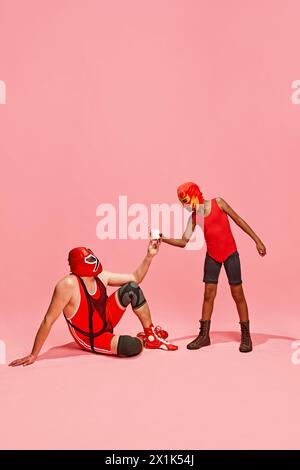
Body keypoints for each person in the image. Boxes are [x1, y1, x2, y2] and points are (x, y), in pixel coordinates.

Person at [9, 241, 177, 367]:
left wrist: (149, 256)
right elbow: (48, 320)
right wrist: (33, 354)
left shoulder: (101, 276)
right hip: (92, 337)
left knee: (131, 288)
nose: (95, 260)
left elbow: (135, 278)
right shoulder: (68, 285)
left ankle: (150, 335)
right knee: (130, 346)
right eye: (90, 258)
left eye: (93, 256)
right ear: (80, 264)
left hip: (106, 320)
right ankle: (143, 340)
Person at [161, 181, 266, 353]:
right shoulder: (195, 217)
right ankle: (204, 336)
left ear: (194, 194)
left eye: (185, 200)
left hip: (231, 253)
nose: (184, 205)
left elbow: (239, 220)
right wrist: (161, 237)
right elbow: (183, 241)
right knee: (208, 294)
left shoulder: (219, 203)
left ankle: (246, 336)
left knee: (237, 293)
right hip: (212, 256)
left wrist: (257, 240)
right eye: (182, 202)